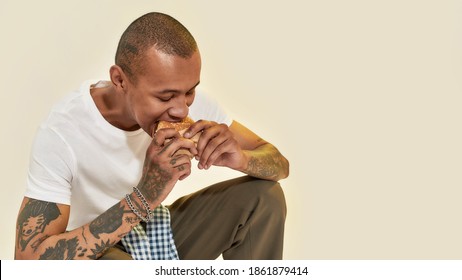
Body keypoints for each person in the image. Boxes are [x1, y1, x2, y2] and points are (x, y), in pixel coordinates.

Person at [14, 12, 289, 260]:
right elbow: (27, 259)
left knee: (264, 196)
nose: (181, 108)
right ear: (120, 80)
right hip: (97, 249)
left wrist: (239, 158)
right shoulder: (62, 133)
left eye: (190, 91)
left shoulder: (184, 100)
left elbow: (279, 163)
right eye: (165, 97)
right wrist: (146, 195)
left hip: (160, 229)